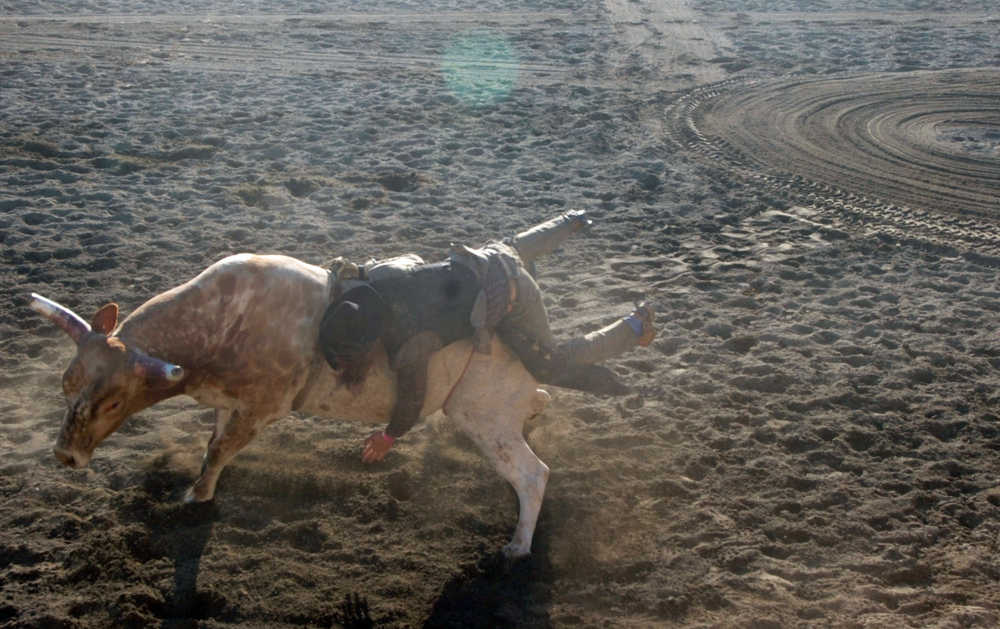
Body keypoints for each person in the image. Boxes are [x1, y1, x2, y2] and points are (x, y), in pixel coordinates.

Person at [318, 211, 656, 463]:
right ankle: (571, 221)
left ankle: (635, 328)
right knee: (511, 248)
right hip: (485, 257)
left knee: (549, 363)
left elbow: (412, 401)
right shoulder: (379, 279)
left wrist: (389, 436)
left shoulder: (411, 342)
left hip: (511, 293)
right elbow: (405, 261)